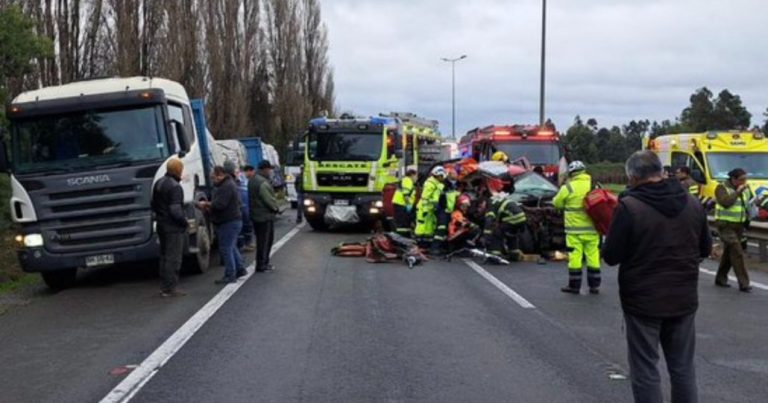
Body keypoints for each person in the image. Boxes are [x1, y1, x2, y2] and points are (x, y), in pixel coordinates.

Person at [603, 151, 711, 403]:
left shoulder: (629, 207)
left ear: (632, 177)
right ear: (661, 172)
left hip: (643, 302)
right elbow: (705, 248)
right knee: (683, 368)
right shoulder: (692, 203)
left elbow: (611, 255)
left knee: (645, 369)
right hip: (683, 299)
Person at [553, 161, 601, 294]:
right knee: (593, 256)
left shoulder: (568, 187)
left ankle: (574, 286)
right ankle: (594, 286)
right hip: (593, 229)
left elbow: (556, 203)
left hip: (574, 231)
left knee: (575, 257)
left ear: (572, 173)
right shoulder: (594, 184)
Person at [199, 162, 247, 284]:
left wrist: (207, 204)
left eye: (213, 178)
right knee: (232, 246)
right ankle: (240, 268)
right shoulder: (228, 184)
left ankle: (230, 274)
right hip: (233, 220)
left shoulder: (226, 186)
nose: (213, 181)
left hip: (229, 221)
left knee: (226, 248)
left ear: (219, 175)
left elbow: (220, 204)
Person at [151, 158, 188, 297]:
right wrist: (184, 222)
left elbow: (153, 204)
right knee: (174, 258)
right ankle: (170, 287)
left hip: (161, 224)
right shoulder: (175, 187)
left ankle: (164, 286)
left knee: (164, 256)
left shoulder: (158, 183)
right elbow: (175, 210)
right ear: (178, 170)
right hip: (173, 227)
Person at [714, 168, 753, 292]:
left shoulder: (746, 189)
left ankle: (720, 278)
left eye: (745, 179)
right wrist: (737, 192)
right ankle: (744, 283)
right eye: (741, 180)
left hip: (739, 225)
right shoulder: (721, 188)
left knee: (729, 253)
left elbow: (748, 205)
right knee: (737, 251)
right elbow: (726, 202)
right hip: (725, 225)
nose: (744, 182)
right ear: (733, 179)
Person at [249, 160, 281, 272]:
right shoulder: (262, 182)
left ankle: (262, 263)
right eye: (269, 169)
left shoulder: (252, 180)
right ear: (265, 169)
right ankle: (262, 264)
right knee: (265, 241)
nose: (270, 171)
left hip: (256, 215)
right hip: (264, 216)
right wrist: (276, 208)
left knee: (261, 241)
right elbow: (269, 199)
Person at [483, 179, 527, 260]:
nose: (480, 209)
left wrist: (487, 236)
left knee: (496, 233)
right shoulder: (497, 199)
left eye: (480, 207)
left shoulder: (490, 205)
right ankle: (514, 254)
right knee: (511, 234)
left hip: (513, 218)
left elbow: (489, 221)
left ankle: (495, 255)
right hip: (522, 217)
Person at [414, 166, 446, 247]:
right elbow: (425, 197)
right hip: (424, 209)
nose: (443, 178)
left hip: (430, 209)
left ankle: (426, 244)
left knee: (429, 227)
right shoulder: (430, 184)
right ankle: (419, 243)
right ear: (439, 175)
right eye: (442, 176)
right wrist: (425, 209)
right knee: (421, 225)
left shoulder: (437, 184)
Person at [433, 168, 460, 254]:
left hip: (450, 210)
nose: (456, 175)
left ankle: (445, 248)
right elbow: (436, 195)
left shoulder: (456, 185)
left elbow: (455, 195)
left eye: (456, 173)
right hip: (442, 209)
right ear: (449, 175)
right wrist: (436, 204)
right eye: (454, 173)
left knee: (449, 229)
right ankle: (435, 248)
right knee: (441, 228)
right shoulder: (443, 184)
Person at [392, 168, 418, 237]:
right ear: (412, 175)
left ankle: (403, 237)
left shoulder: (406, 180)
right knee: (402, 224)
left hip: (400, 204)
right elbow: (406, 195)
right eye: (416, 176)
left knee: (404, 223)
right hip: (401, 204)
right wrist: (408, 206)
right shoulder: (408, 180)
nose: (416, 178)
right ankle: (401, 238)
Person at [237, 166, 254, 252]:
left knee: (246, 224)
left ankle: (246, 243)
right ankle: (244, 244)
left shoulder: (245, 179)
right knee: (245, 224)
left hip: (245, 204)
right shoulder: (240, 178)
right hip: (243, 205)